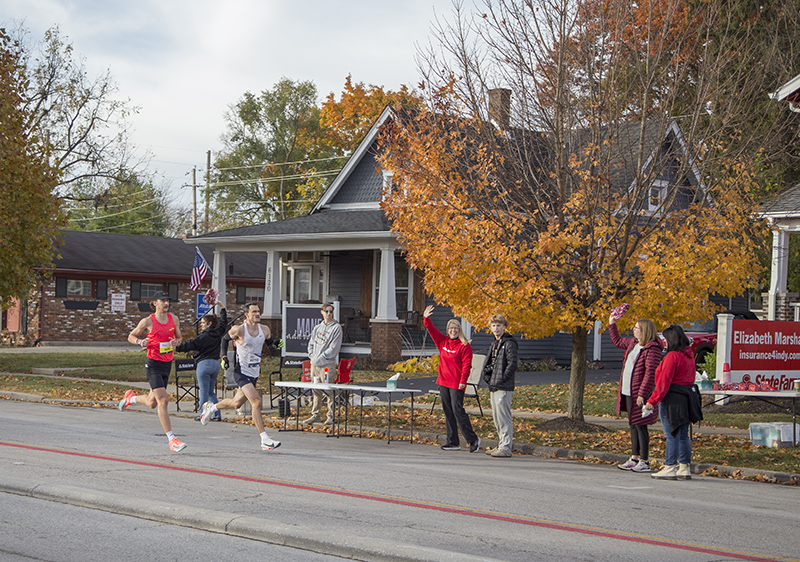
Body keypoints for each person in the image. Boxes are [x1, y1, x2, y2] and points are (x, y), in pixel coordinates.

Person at [198, 302, 281, 451]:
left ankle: (211, 408)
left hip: (254, 372)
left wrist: (277, 344)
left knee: (236, 404)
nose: (258, 314)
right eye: (254, 312)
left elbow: (270, 347)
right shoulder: (239, 330)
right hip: (240, 371)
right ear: (246, 315)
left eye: (258, 311)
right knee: (256, 402)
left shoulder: (265, 330)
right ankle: (264, 439)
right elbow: (224, 339)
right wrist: (224, 356)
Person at [118, 291, 186, 452]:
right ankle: (172, 439)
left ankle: (131, 398)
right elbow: (131, 336)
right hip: (153, 364)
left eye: (167, 300)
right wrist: (140, 341)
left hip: (167, 363)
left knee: (151, 402)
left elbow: (180, 338)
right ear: (155, 303)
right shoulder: (148, 321)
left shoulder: (174, 319)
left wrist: (176, 342)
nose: (166, 303)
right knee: (163, 400)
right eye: (162, 301)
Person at [643, 324, 702, 480]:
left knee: (671, 434)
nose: (664, 342)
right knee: (683, 434)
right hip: (687, 397)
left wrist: (652, 401)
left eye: (666, 339)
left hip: (672, 398)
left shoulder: (672, 357)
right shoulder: (688, 355)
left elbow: (664, 382)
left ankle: (670, 466)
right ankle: (684, 466)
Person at [609, 314, 663, 473]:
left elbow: (650, 373)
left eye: (636, 328)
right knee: (633, 424)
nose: (633, 330)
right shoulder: (633, 343)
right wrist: (612, 322)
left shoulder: (652, 349)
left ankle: (645, 461)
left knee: (641, 425)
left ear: (644, 330)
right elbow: (617, 341)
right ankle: (634, 457)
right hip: (627, 390)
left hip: (639, 393)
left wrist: (642, 394)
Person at [423, 304, 481, 452]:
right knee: (448, 411)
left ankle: (473, 439)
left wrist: (463, 381)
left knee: (458, 411)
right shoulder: (442, 341)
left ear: (459, 330)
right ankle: (453, 441)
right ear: (447, 330)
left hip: (457, 383)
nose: (453, 331)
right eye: (450, 328)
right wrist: (426, 318)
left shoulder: (464, 346)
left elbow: (467, 365)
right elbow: (431, 330)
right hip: (443, 381)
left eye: (455, 328)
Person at [174, 299, 227, 422]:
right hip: (215, 364)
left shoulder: (203, 336)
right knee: (210, 391)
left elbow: (190, 344)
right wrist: (223, 308)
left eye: (203, 323)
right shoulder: (217, 333)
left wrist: (176, 347)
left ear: (209, 324)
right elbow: (223, 323)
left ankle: (202, 413)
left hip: (204, 364)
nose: (201, 325)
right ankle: (216, 414)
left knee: (203, 391)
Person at [481, 314, 517, 458]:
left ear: (504, 327)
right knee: (496, 417)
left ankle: (506, 447)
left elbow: (512, 364)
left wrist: (502, 379)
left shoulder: (509, 343)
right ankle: (501, 443)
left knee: (504, 417)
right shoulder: (495, 343)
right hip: (494, 385)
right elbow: (492, 363)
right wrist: (488, 375)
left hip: (504, 386)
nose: (496, 328)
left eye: (499, 325)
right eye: (494, 325)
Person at [303, 303, 343, 427]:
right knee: (316, 390)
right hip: (314, 364)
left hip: (327, 365)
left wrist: (321, 358)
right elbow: (311, 343)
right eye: (326, 311)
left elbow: (334, 348)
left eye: (331, 312)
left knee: (328, 390)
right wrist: (312, 356)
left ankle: (330, 416)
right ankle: (316, 414)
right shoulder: (317, 328)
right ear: (322, 312)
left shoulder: (336, 328)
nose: (329, 314)